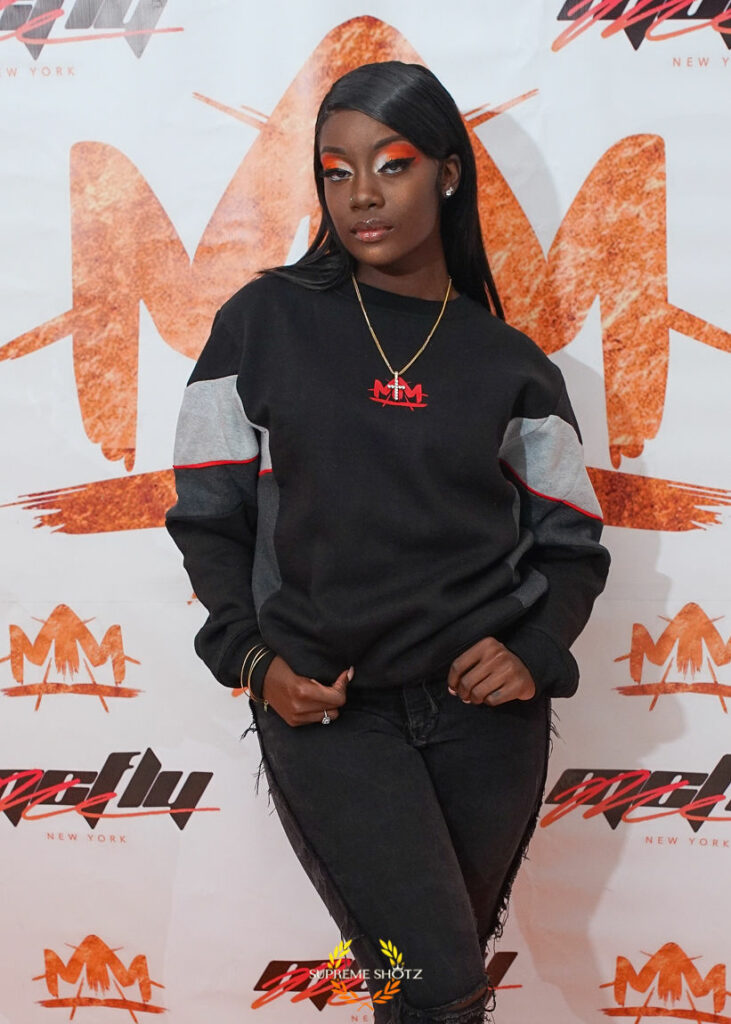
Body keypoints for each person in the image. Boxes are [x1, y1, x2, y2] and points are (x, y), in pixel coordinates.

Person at [165, 60, 611, 1024]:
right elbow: (206, 516)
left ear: (447, 174)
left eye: (392, 163)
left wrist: (534, 649)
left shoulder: (511, 365)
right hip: (332, 717)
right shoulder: (262, 323)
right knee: (440, 989)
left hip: (483, 725)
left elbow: (571, 542)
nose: (361, 194)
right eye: (336, 171)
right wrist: (252, 661)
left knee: (422, 992)